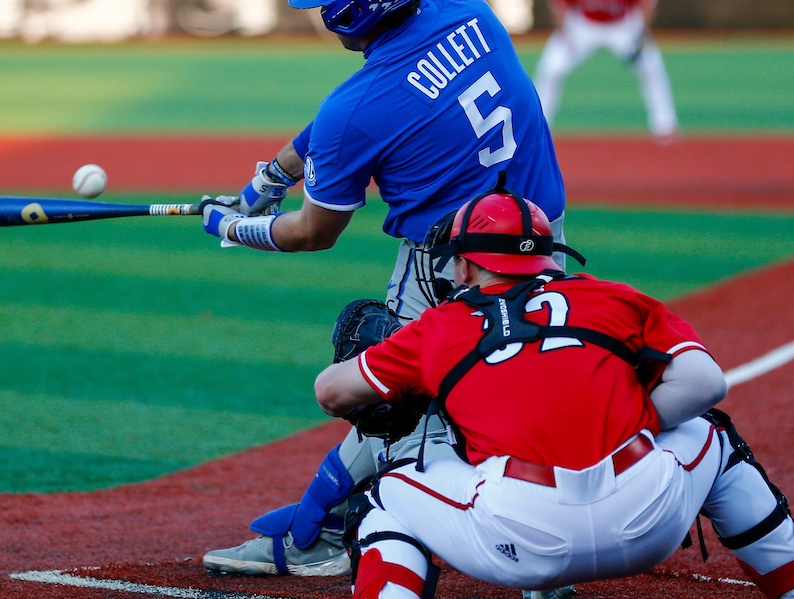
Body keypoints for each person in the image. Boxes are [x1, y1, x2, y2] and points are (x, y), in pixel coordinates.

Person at [199, 0, 572, 599]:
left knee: (387, 393)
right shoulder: (465, 5)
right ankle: (556, 539)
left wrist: (233, 226)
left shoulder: (355, 110)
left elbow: (314, 232)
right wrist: (271, 176)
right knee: (524, 385)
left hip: (450, 268)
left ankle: (324, 535)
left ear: (347, 12)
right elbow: (349, 114)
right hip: (542, 242)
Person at [313, 185, 794, 599]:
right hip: (648, 520)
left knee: (382, 497)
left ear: (462, 268)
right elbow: (706, 384)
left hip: (519, 539)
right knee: (713, 434)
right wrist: (631, 421)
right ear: (547, 255)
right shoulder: (614, 296)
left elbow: (331, 393)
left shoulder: (439, 327)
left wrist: (407, 384)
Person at [533, 0, 678, 143]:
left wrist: (640, 34)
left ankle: (665, 125)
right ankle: (538, 126)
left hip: (622, 26)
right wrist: (565, 34)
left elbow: (646, 3)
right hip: (583, 25)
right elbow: (559, 6)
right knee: (551, 68)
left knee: (652, 67)